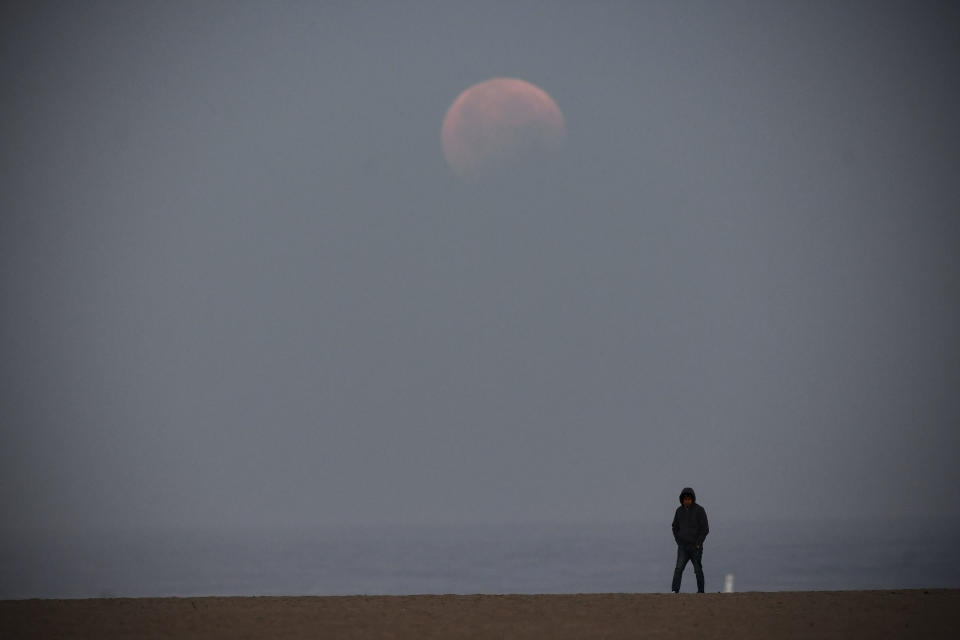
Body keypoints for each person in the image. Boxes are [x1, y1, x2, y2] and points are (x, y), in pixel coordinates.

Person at [671, 487, 709, 593]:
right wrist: (678, 540)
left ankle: (701, 591)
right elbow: (674, 527)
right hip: (683, 547)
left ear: (692, 499)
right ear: (682, 500)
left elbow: (705, 529)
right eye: (685, 499)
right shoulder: (679, 511)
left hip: (695, 547)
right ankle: (675, 590)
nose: (687, 501)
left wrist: (698, 543)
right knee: (678, 569)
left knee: (697, 570)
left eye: (689, 499)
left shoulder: (700, 510)